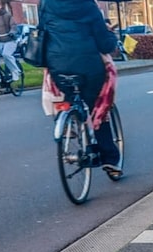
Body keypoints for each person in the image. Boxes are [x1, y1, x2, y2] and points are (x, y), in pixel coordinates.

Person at [42, 0, 122, 177]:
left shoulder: (46, 4)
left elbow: (43, 32)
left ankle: (67, 121)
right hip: (88, 67)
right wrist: (112, 38)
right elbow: (104, 43)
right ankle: (110, 159)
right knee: (98, 108)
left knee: (68, 96)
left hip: (58, 65)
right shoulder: (88, 5)